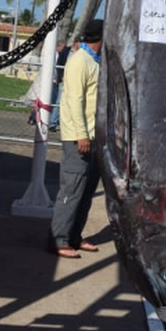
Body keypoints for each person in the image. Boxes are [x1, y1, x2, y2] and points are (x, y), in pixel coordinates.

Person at [49, 19, 105, 259]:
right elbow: (74, 100)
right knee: (72, 190)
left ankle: (74, 236)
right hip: (79, 137)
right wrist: (81, 133)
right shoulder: (79, 61)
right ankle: (58, 239)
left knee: (86, 191)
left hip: (95, 137)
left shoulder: (95, 62)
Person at [48, 41, 73, 132]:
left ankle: (58, 121)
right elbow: (60, 64)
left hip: (73, 81)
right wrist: (61, 76)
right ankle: (53, 122)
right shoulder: (66, 51)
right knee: (58, 101)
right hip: (64, 80)